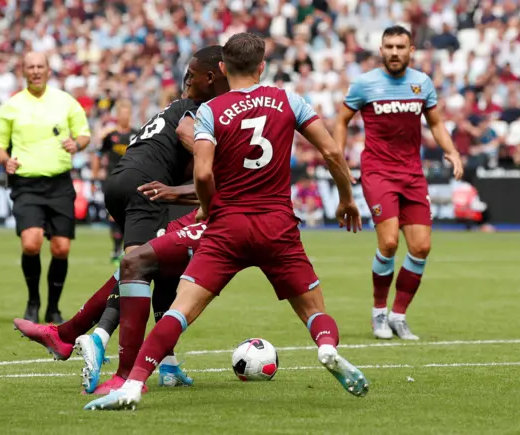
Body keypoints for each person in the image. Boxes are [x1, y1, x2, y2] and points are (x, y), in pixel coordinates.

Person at [84, 32, 368, 412]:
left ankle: (132, 385)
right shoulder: (289, 100)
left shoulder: (210, 112)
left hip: (228, 227)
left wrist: (205, 206)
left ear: (222, 68)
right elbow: (332, 150)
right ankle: (328, 348)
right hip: (277, 226)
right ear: (262, 66)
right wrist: (347, 199)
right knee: (313, 308)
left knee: (179, 311)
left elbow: (203, 175)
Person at [13, 45, 230, 392]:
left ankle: (167, 364)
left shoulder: (176, 105)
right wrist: (216, 158)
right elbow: (186, 135)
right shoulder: (198, 108)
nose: (188, 80)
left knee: (157, 268)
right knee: (138, 270)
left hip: (123, 181)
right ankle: (99, 344)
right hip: (148, 187)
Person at [333, 25, 464, 341]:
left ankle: (398, 316)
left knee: (421, 247)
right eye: (389, 46)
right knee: (389, 242)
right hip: (378, 171)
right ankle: (379, 313)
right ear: (381, 50)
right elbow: (341, 120)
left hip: (412, 174)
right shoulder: (365, 84)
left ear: (411, 50)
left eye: (400, 47)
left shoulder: (422, 83)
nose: (394, 52)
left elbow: (435, 122)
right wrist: (338, 158)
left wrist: (452, 152)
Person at [0, 52, 91, 324]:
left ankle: (54, 307)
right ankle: (33, 301)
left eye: (40, 66)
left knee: (61, 248)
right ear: (23, 71)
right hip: (27, 184)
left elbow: (84, 134)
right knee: (31, 243)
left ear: (49, 70)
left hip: (59, 182)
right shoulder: (11, 106)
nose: (35, 71)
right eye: (30, 67)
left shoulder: (65, 102)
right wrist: (5, 160)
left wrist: (77, 145)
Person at [93, 99, 139, 265]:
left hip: (131, 180)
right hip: (112, 180)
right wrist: (95, 174)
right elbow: (99, 154)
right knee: (113, 216)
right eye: (122, 114)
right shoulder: (110, 137)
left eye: (127, 114)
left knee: (129, 216)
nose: (125, 117)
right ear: (118, 116)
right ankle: (116, 249)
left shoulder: (137, 134)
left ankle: (127, 249)